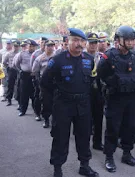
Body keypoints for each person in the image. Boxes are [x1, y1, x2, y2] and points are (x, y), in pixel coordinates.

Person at [40, 28, 99, 177]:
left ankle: (84, 166)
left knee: (84, 136)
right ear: (68, 42)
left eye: (82, 41)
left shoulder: (89, 60)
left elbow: (92, 82)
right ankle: (57, 168)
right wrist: (54, 99)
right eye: (75, 40)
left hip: (83, 104)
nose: (79, 44)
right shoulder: (57, 60)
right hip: (63, 104)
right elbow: (45, 82)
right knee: (60, 137)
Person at [98, 26, 135, 173]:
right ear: (119, 40)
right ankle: (109, 157)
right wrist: (110, 85)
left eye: (132, 40)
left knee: (130, 127)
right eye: (127, 40)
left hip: (131, 97)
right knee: (113, 128)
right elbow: (100, 75)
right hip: (115, 98)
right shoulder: (108, 56)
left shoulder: (134, 56)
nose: (131, 43)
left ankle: (127, 154)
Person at [86, 32, 104, 151]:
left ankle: (97, 142)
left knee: (98, 118)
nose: (93, 45)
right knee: (85, 119)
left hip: (99, 89)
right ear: (86, 43)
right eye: (91, 43)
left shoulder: (102, 57)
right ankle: (84, 144)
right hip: (85, 89)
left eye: (95, 43)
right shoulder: (80, 56)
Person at [32, 40, 55, 128]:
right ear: (44, 47)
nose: (50, 47)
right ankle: (46, 119)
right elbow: (35, 71)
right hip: (44, 83)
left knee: (56, 102)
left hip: (55, 83)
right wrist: (38, 82)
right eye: (48, 46)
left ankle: (55, 120)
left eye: (52, 46)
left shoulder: (57, 57)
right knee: (46, 102)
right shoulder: (39, 58)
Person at [14, 39, 39, 118]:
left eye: (33, 46)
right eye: (30, 46)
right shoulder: (22, 54)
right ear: (28, 46)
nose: (31, 48)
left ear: (35, 47)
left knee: (34, 94)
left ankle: (37, 112)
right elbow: (16, 64)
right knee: (24, 94)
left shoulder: (37, 54)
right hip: (25, 76)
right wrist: (21, 70)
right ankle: (22, 110)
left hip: (34, 75)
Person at [30, 37, 48, 121]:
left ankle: (47, 115)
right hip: (38, 79)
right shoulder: (36, 54)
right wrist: (36, 79)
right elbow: (33, 67)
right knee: (38, 96)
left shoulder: (54, 54)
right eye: (42, 42)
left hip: (51, 81)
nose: (43, 44)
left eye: (45, 43)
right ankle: (37, 113)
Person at [3, 40, 20, 106]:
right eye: (15, 46)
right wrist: (8, 68)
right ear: (13, 46)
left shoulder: (20, 53)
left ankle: (19, 100)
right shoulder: (9, 53)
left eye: (17, 46)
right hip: (11, 70)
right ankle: (9, 99)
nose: (16, 47)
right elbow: (4, 62)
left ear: (19, 47)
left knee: (19, 86)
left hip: (18, 71)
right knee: (10, 85)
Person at [13, 39, 29, 110]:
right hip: (22, 74)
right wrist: (20, 70)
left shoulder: (32, 53)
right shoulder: (19, 55)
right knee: (21, 91)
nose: (23, 48)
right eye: (22, 46)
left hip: (31, 75)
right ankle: (21, 105)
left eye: (25, 46)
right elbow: (15, 64)